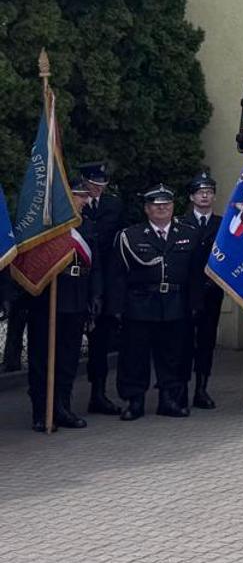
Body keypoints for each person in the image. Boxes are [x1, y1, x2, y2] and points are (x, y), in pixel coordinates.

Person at [103, 185, 200, 420]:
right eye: (156, 205)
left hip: (175, 304)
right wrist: (116, 308)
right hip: (140, 304)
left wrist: (196, 304)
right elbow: (118, 276)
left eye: (166, 205)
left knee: (173, 356)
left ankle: (168, 400)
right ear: (147, 209)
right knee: (134, 356)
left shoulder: (188, 233)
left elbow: (195, 275)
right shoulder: (130, 236)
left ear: (173, 207)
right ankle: (134, 401)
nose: (162, 209)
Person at [24, 183, 101, 431]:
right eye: (79, 196)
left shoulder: (86, 226)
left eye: (85, 197)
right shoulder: (48, 228)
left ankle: (62, 407)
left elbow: (95, 265)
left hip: (77, 297)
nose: (83, 201)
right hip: (47, 299)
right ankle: (41, 411)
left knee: (68, 358)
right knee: (42, 358)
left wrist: (96, 295)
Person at [77, 161, 126, 416]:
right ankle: (58, 399)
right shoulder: (73, 206)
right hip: (76, 280)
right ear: (83, 182)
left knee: (101, 343)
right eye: (93, 185)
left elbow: (118, 243)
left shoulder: (114, 205)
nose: (97, 190)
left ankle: (99, 394)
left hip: (105, 281)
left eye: (102, 185)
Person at [182, 172, 222, 410]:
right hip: (187, 292)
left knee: (206, 341)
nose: (205, 196)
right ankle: (181, 388)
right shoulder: (181, 223)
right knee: (184, 342)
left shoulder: (223, 224)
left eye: (209, 192)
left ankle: (201, 388)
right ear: (191, 196)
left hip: (211, 291)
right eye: (200, 192)